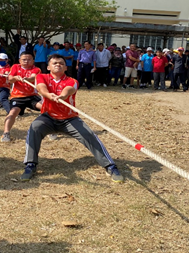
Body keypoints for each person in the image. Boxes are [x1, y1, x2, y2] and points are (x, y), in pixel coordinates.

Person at [21, 54, 124, 183]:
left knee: (89, 135)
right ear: (48, 67)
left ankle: (110, 166)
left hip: (69, 119)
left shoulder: (72, 81)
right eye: (54, 63)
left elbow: (68, 90)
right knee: (34, 127)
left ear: (65, 67)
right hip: (48, 117)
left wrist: (62, 96)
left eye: (61, 63)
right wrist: (48, 95)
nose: (58, 65)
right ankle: (30, 165)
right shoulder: (41, 77)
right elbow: (41, 88)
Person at [2, 51, 42, 142]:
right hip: (17, 96)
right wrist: (16, 78)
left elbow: (34, 77)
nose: (26, 61)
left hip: (32, 96)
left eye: (29, 59)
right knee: (12, 113)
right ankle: (6, 133)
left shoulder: (36, 69)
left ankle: (51, 130)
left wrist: (27, 79)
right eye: (24, 59)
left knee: (46, 108)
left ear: (33, 61)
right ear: (20, 60)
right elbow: (10, 79)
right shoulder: (15, 67)